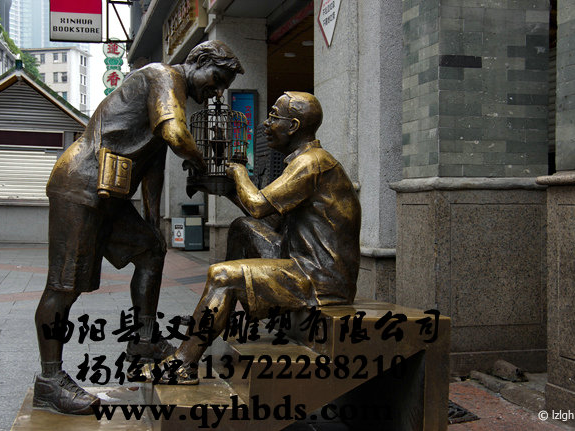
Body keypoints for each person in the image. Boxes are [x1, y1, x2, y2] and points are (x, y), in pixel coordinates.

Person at [33, 40, 244, 415]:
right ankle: (49, 381)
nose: (217, 91)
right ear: (198, 61)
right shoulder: (163, 77)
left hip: (108, 195)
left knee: (151, 250)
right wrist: (202, 162)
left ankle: (143, 341)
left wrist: (152, 221)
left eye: (223, 87)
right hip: (80, 186)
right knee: (64, 286)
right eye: (216, 79)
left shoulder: (170, 98)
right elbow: (175, 135)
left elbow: (154, 168)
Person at [147, 92, 362, 384]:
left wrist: (239, 174)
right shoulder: (304, 161)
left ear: (293, 126)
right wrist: (226, 189)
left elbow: (258, 205)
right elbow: (269, 219)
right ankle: (221, 312)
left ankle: (183, 364)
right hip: (299, 259)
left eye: (274, 117)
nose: (266, 124)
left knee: (223, 276)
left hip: (319, 278)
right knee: (242, 227)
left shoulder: (312, 163)